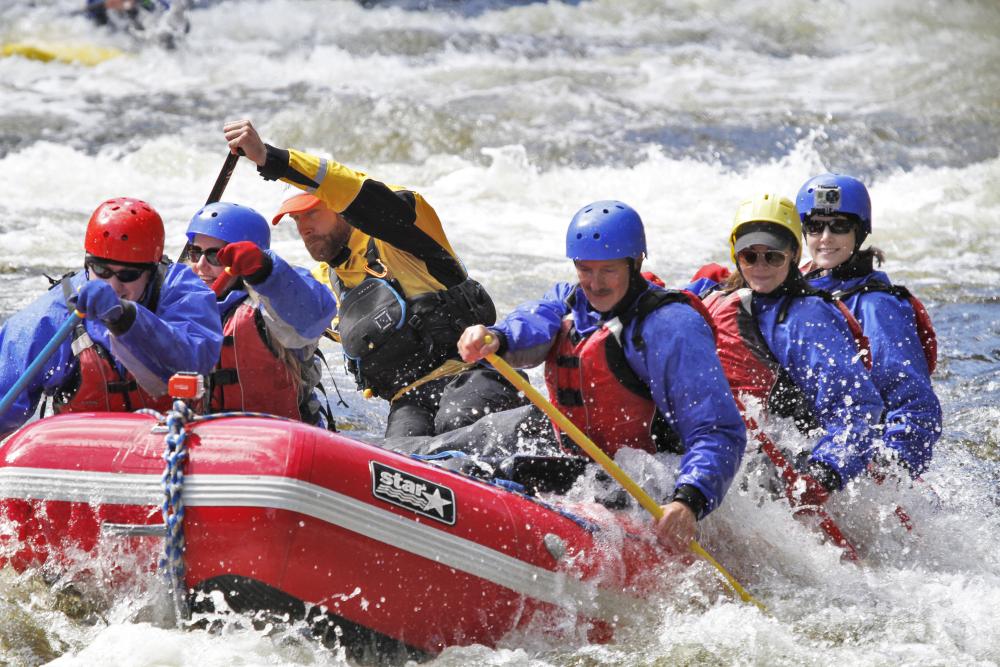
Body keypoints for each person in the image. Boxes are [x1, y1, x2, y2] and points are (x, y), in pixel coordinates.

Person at [455, 201, 747, 551]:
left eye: (608, 270)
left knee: (500, 471)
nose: (595, 283)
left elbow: (717, 429)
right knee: (463, 449)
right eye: (585, 269)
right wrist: (496, 338)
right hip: (584, 462)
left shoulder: (670, 327)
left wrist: (689, 500)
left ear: (635, 263)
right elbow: (533, 323)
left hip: (648, 480)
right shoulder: (570, 303)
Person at [222, 119, 526, 438]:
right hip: (409, 402)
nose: (304, 228)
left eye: (312, 212)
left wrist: (271, 158)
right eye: (296, 219)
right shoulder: (324, 283)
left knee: (456, 424)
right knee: (397, 459)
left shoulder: (404, 233)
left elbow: (355, 190)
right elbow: (280, 298)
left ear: (340, 208)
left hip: (474, 377)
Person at [691, 193, 885, 505]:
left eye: (773, 256)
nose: (761, 266)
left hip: (778, 465)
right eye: (750, 256)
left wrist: (825, 472)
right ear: (736, 255)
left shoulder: (806, 317)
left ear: (793, 254)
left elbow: (857, 408)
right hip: (710, 446)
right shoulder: (712, 292)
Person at [0, 197, 222, 438]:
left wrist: (125, 318)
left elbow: (195, 361)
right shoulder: (54, 314)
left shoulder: (183, 291)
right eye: (102, 270)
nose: (113, 286)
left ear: (151, 271)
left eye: (128, 275)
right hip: (82, 448)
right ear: (87, 265)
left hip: (171, 439)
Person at [796, 173, 941, 478]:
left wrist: (891, 471)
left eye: (839, 226)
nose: (825, 237)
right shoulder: (798, 284)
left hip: (857, 455)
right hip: (814, 438)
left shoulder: (878, 306)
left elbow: (915, 406)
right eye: (815, 226)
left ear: (859, 232)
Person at [182, 201, 337, 424]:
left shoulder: (271, 308)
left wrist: (265, 270)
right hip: (205, 437)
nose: (201, 265)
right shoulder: (178, 301)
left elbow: (314, 314)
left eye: (215, 256)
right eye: (195, 253)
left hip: (280, 439)